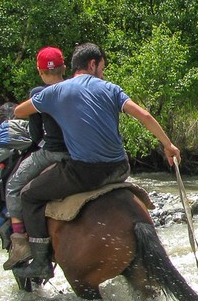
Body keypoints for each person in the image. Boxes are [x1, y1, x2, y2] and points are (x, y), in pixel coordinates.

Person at [10, 42, 181, 281]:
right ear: (92, 64)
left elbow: (18, 112)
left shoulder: (55, 92)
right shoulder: (111, 88)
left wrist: (46, 104)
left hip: (87, 172)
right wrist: (168, 145)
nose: (103, 72)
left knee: (29, 195)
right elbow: (144, 115)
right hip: (120, 168)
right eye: (102, 66)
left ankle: (39, 262)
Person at [2, 46, 69, 269]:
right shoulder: (76, 88)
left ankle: (20, 240)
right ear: (64, 68)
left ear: (40, 72)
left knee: (13, 185)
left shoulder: (38, 94)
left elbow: (36, 134)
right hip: (81, 153)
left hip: (52, 153)